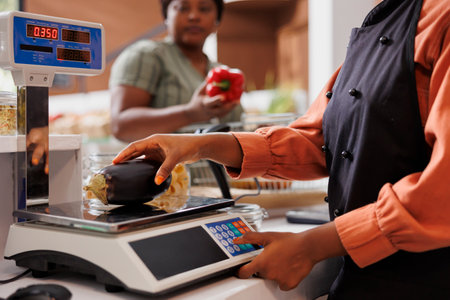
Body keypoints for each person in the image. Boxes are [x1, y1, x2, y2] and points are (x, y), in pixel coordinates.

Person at [113, 0, 450, 298]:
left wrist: (311, 246)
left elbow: (443, 191)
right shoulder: (384, 20)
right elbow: (318, 139)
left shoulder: (441, 18)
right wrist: (202, 145)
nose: (193, 15)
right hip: (366, 277)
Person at [109, 0, 243, 143]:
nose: (194, 16)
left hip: (217, 166)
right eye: (182, 8)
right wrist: (189, 114)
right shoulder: (146, 56)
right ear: (166, 16)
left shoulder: (222, 72)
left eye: (204, 9)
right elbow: (121, 127)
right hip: (166, 166)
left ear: (217, 19)